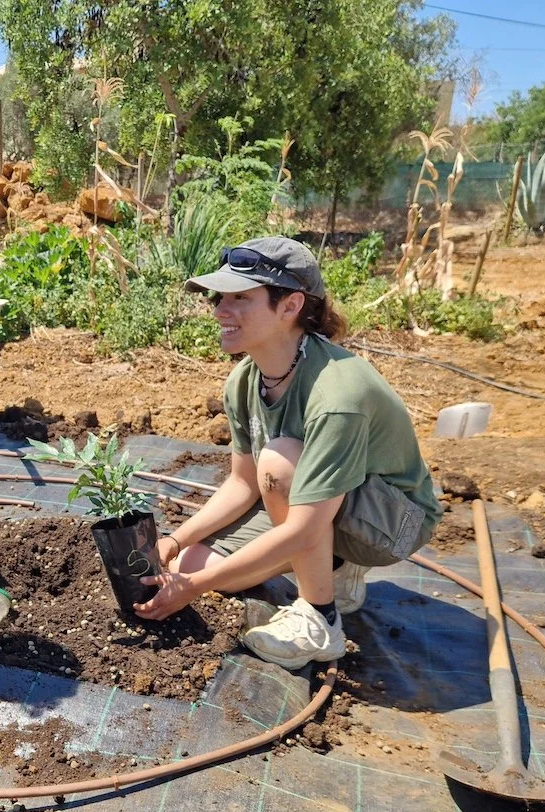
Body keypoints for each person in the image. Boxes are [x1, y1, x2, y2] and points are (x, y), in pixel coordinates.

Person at [134, 236, 441, 670]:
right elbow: (242, 483)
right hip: (322, 504)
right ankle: (335, 570)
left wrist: (194, 587)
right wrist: (175, 540)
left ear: (291, 305)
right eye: (220, 297)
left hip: (391, 522)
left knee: (278, 463)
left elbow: (300, 529)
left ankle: (320, 616)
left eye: (241, 298)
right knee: (192, 561)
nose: (221, 310)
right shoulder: (244, 380)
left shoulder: (337, 394)